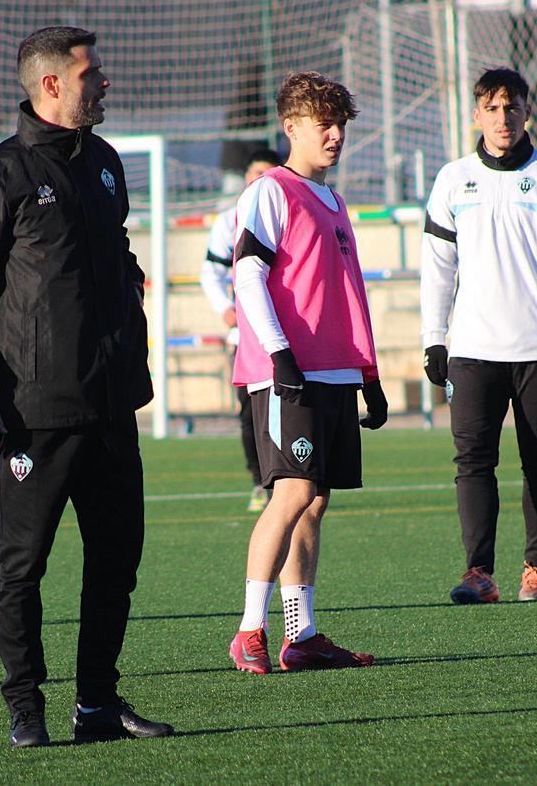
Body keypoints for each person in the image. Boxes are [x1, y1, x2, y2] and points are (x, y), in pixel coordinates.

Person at [0, 26, 173, 748]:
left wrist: (129, 299)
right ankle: (25, 706)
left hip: (111, 404)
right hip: (33, 411)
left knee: (115, 560)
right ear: (51, 86)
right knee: (24, 565)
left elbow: (118, 246)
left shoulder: (103, 162)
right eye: (92, 74)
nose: (104, 84)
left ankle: (97, 702)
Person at [227, 71, 388, 675]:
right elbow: (247, 274)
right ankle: (249, 630)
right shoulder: (271, 191)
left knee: (315, 501)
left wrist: (366, 375)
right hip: (287, 373)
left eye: (341, 123)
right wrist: (280, 354)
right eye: (324, 124)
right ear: (291, 126)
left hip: (334, 373)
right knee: (291, 492)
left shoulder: (335, 200)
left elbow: (345, 296)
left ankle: (303, 636)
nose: (336, 134)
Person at [421, 68, 537, 605]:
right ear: (476, 114)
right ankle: (479, 572)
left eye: (511, 107)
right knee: (473, 462)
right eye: (491, 108)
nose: (502, 118)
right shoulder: (452, 179)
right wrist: (434, 338)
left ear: (526, 113)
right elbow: (437, 267)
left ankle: (536, 568)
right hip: (471, 349)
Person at [199, 148, 283, 512]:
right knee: (250, 414)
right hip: (247, 342)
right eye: (254, 173)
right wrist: (225, 308)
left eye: (266, 173)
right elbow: (211, 272)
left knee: (288, 410)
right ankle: (259, 482)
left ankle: (291, 479)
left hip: (285, 335)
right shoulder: (229, 221)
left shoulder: (284, 210)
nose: (258, 180)